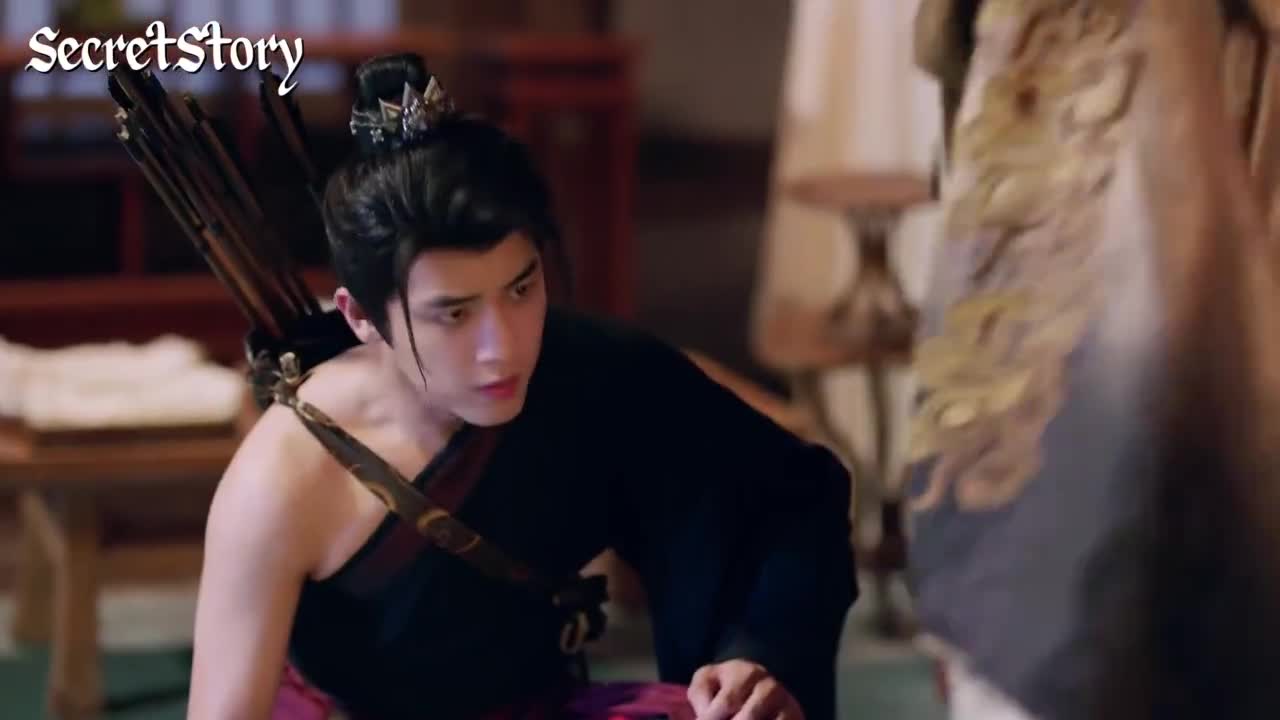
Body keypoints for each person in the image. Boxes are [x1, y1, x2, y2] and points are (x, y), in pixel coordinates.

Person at [185, 53, 857, 720]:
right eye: (453, 314)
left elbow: (784, 501)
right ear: (360, 316)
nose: (500, 348)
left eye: (521, 288)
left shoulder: (588, 370)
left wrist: (756, 657)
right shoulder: (284, 477)